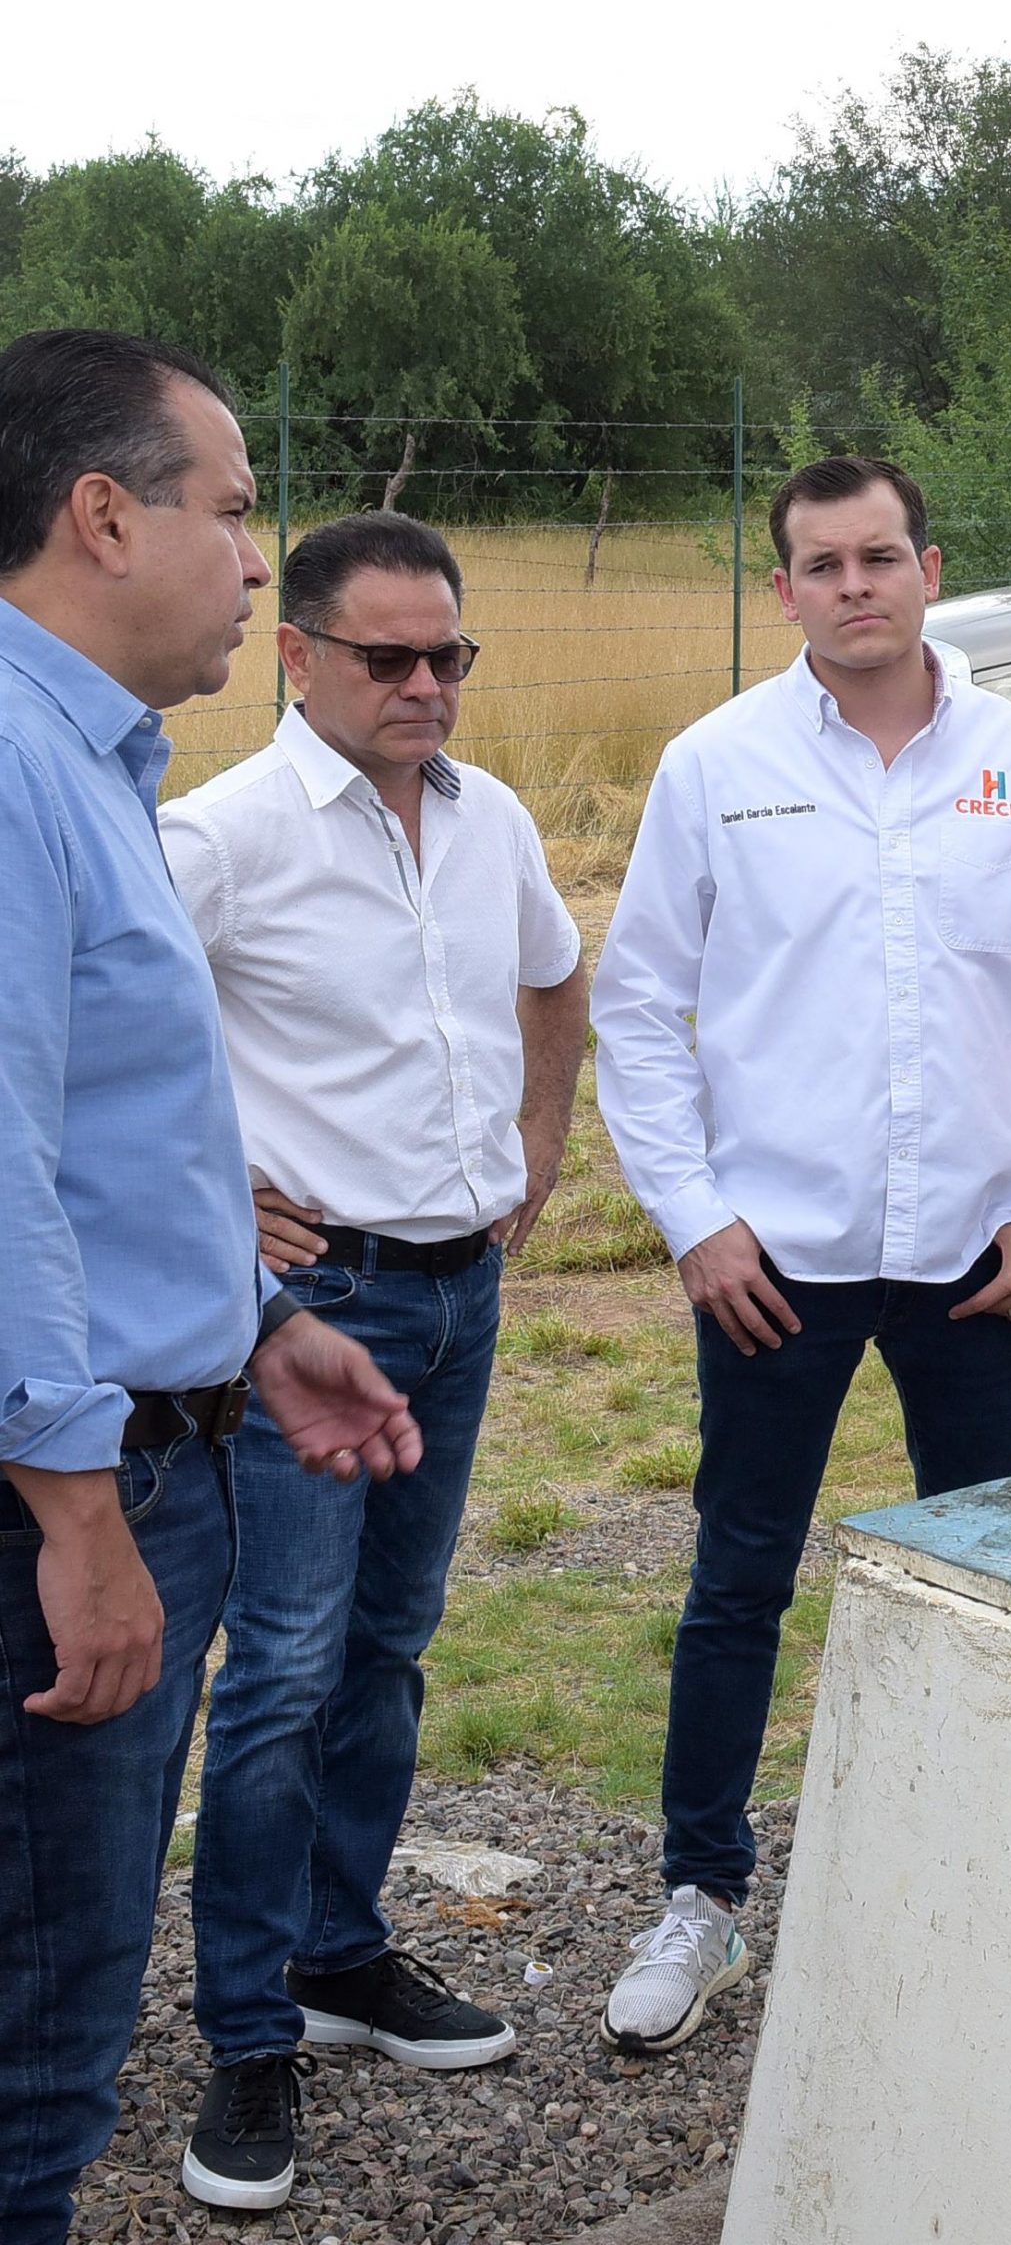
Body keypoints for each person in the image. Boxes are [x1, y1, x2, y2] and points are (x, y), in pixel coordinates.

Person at [590, 453, 1011, 2055]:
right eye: (819, 566)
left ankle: (982, 1881)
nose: (853, 589)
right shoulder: (716, 764)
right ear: (785, 590)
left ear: (929, 565)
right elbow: (638, 1005)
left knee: (989, 1577)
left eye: (878, 557)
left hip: (979, 1254)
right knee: (738, 1577)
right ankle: (701, 1897)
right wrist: (694, 1219)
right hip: (779, 1257)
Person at [0, 330, 419, 2245]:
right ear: (104, 515)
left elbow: (100, 1144)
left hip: (147, 1447)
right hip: (61, 1503)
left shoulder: (84, 765)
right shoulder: (15, 773)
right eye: (235, 512)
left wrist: (257, 1330)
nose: (261, 563)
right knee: (40, 2046)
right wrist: (77, 1515)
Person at [157, 510, 589, 2210]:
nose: (426, 688)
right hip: (309, 1321)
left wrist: (536, 1155)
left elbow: (556, 987)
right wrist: (213, 1212)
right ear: (300, 655)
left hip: (459, 1297)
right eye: (388, 658)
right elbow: (88, 1045)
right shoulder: (222, 836)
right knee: (277, 1672)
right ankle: (246, 2034)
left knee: (390, 1647)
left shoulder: (489, 824)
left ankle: (343, 1956)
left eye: (451, 658)